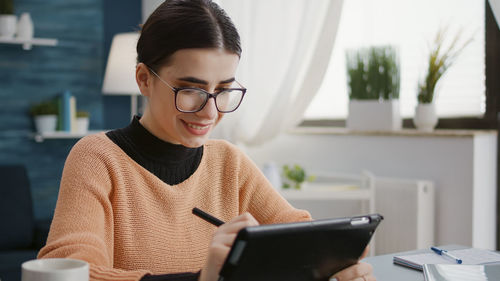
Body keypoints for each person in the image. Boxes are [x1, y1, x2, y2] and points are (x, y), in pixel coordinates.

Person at [38, 1, 376, 281]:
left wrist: (333, 261)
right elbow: (72, 273)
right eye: (192, 90)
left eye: (223, 91)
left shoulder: (229, 161)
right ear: (144, 79)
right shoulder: (97, 158)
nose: (210, 111)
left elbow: (297, 232)